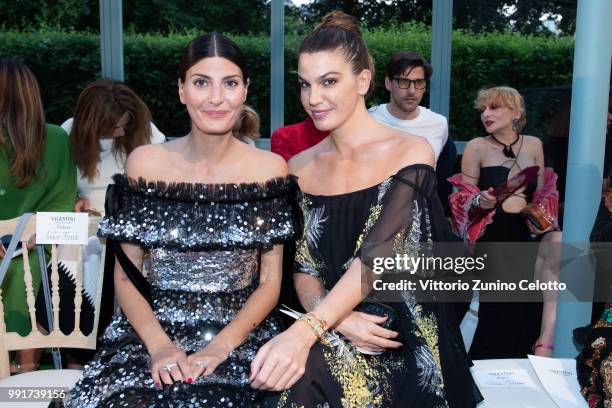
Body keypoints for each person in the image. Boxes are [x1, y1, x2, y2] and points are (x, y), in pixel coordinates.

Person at [250, 11, 482, 407]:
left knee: (296, 382)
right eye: (305, 85)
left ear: (363, 81)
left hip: (392, 331)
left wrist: (310, 330)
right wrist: (334, 319)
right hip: (329, 319)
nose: (313, 98)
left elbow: (377, 259)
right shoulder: (299, 167)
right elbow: (303, 270)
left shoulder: (410, 152)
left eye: (328, 82)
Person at [62, 32, 297, 406]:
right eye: (201, 82)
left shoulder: (269, 170)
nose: (216, 98)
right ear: (182, 90)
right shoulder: (145, 163)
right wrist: (159, 348)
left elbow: (270, 282)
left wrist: (221, 347)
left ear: (245, 90)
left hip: (240, 332)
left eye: (230, 83)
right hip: (149, 330)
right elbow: (126, 274)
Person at [448, 86, 560, 359]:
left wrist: (542, 216)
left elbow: (543, 194)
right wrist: (479, 202)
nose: (486, 114)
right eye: (483, 109)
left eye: (494, 107)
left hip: (526, 235)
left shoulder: (534, 145)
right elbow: (460, 198)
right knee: (497, 311)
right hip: (492, 236)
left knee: (528, 308)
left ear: (516, 111)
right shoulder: (477, 147)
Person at [0, 58, 77, 373]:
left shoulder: (55, 139)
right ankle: (25, 371)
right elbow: (62, 205)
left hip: (28, 252)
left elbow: (62, 208)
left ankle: (21, 375)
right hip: (33, 253)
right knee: (33, 271)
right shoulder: (57, 138)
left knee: (29, 269)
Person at [368, 51, 456, 216]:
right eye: (404, 82)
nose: (412, 90)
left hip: (422, 219)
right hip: (375, 217)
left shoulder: (438, 124)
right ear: (388, 83)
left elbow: (441, 179)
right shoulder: (369, 120)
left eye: (419, 83)